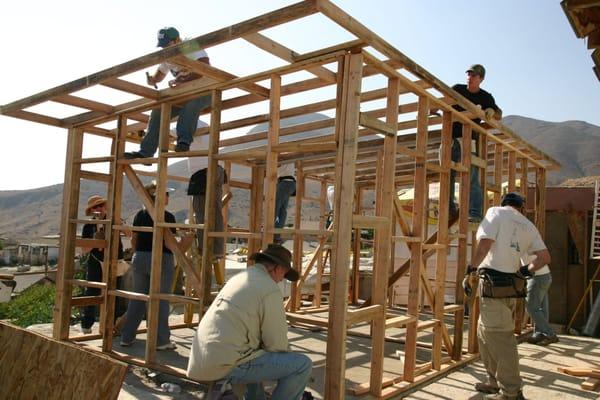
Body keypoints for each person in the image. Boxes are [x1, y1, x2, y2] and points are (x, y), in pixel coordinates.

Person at [187, 244, 312, 400]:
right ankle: (228, 380)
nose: (281, 280)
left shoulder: (240, 277)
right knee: (301, 365)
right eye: (284, 274)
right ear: (278, 268)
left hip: (202, 359)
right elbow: (276, 344)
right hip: (226, 363)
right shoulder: (269, 289)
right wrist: (286, 357)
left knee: (256, 352)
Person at [469, 192, 551, 400]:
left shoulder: (495, 212)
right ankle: (493, 381)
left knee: (502, 339)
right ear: (520, 207)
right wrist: (525, 271)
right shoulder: (528, 224)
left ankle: (511, 392)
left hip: (493, 285)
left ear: (504, 203)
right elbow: (544, 257)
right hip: (511, 287)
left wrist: (471, 268)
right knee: (484, 333)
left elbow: (486, 243)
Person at [120, 182, 195, 349]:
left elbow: (134, 241)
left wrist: (139, 255)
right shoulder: (167, 217)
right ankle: (161, 340)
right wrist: (187, 242)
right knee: (161, 299)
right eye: (166, 193)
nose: (168, 196)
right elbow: (171, 246)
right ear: (160, 197)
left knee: (138, 298)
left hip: (140, 258)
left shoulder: (140, 215)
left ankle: (127, 337)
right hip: (161, 259)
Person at [124, 27, 211, 158]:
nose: (165, 48)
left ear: (177, 40)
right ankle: (146, 152)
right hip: (184, 94)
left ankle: (184, 142)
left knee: (191, 105)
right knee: (158, 111)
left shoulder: (189, 45)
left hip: (206, 91)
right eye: (163, 46)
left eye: (167, 44)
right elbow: (159, 75)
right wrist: (152, 80)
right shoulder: (167, 55)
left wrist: (183, 79)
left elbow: (205, 66)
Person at [441, 64, 502, 222]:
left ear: (481, 79)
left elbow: (499, 114)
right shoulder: (457, 89)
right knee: (447, 174)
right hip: (450, 138)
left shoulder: (485, 97)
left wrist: (491, 112)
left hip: (469, 139)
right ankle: (449, 209)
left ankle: (474, 212)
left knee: (472, 177)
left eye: (474, 75)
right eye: (469, 74)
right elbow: (443, 101)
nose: (470, 77)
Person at [80, 195, 128, 334]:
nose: (99, 209)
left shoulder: (114, 221)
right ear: (91, 210)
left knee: (114, 293)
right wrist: (95, 240)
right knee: (92, 292)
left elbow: (129, 233)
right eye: (96, 207)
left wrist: (120, 223)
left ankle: (109, 326)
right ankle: (86, 325)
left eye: (101, 205)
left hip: (114, 262)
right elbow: (84, 250)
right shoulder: (89, 226)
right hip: (96, 262)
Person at [186, 120, 225, 260]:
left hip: (203, 172)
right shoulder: (204, 125)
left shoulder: (190, 123)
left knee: (201, 213)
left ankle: (206, 249)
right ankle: (217, 249)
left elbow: (173, 132)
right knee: (215, 212)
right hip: (216, 169)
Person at [524, 255, 558, 346]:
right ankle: (540, 334)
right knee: (542, 307)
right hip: (544, 275)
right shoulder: (532, 240)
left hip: (537, 276)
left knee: (531, 307)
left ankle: (550, 334)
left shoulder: (520, 240)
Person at [273, 162, 296, 244]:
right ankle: (276, 234)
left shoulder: (284, 157)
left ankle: (270, 228)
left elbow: (274, 169)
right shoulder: (289, 159)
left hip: (285, 183)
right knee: (282, 210)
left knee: (275, 207)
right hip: (291, 184)